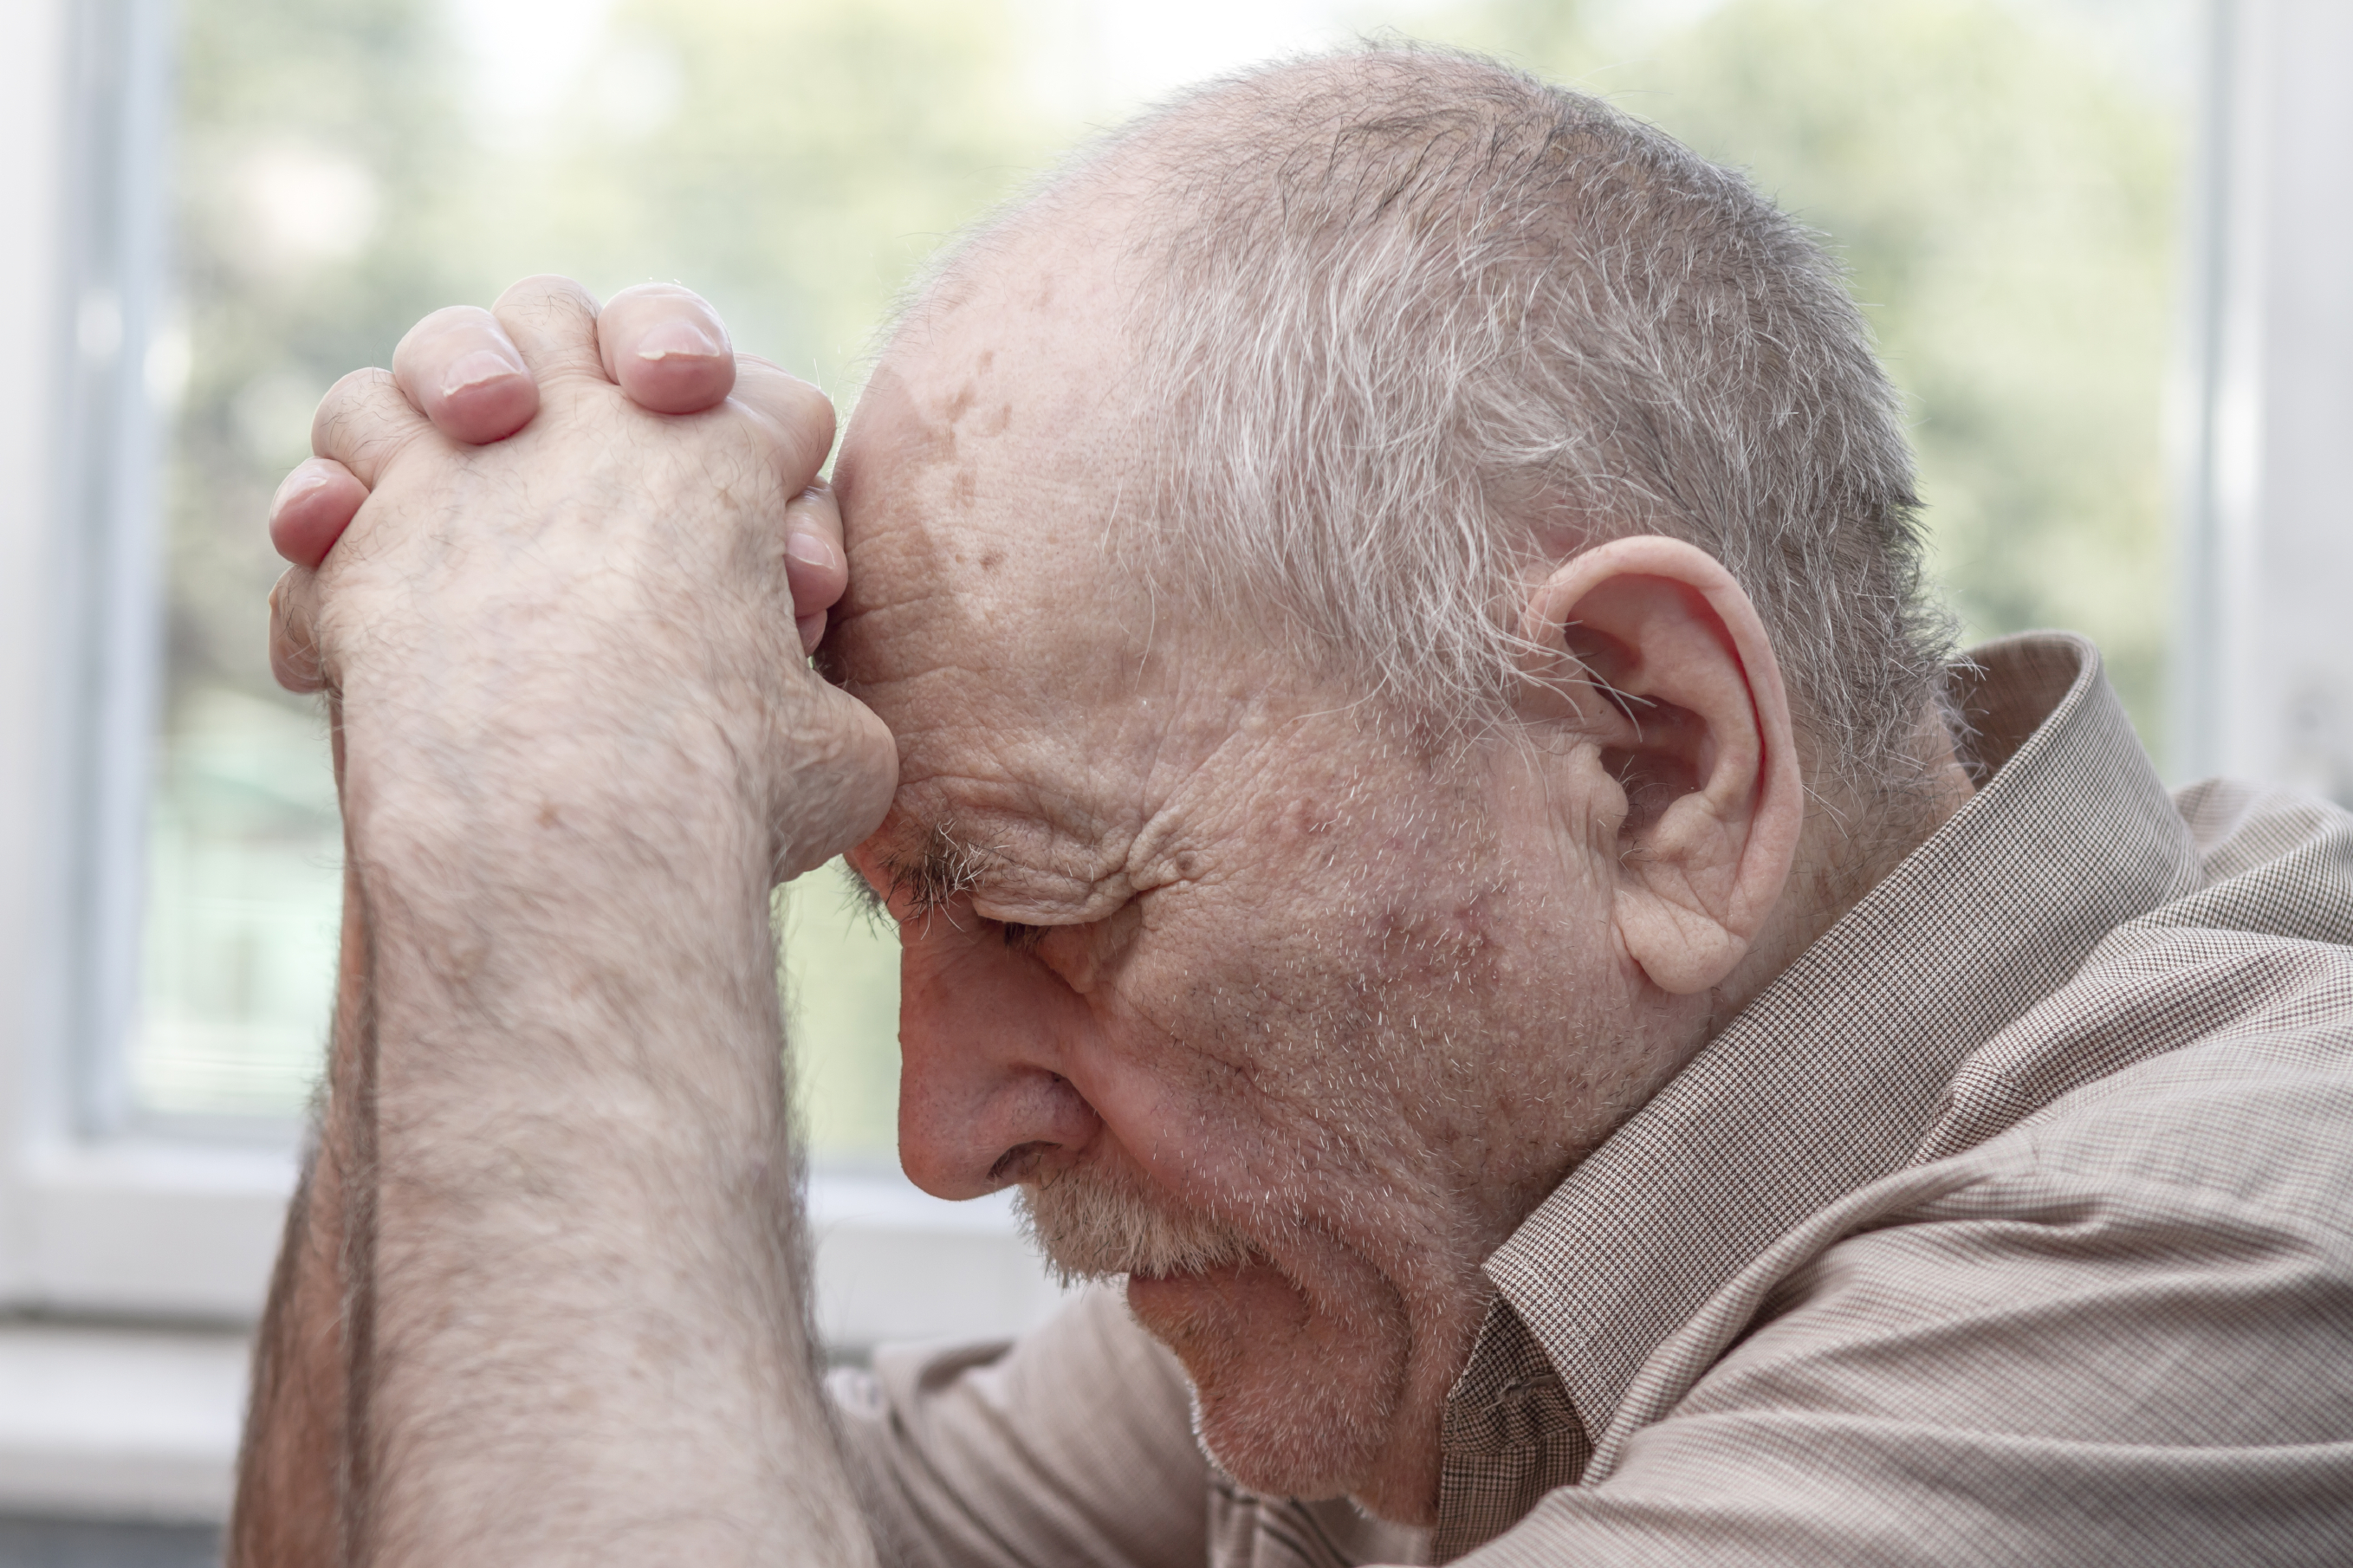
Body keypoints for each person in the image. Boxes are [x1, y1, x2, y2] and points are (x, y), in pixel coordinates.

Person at [230, 48, 2353, 1568]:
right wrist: (453, 731)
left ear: (1649, 759)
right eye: (904, 915)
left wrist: (558, 786)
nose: (945, 1135)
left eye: (1046, 904)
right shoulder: (1421, 1231)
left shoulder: (2239, 1237)